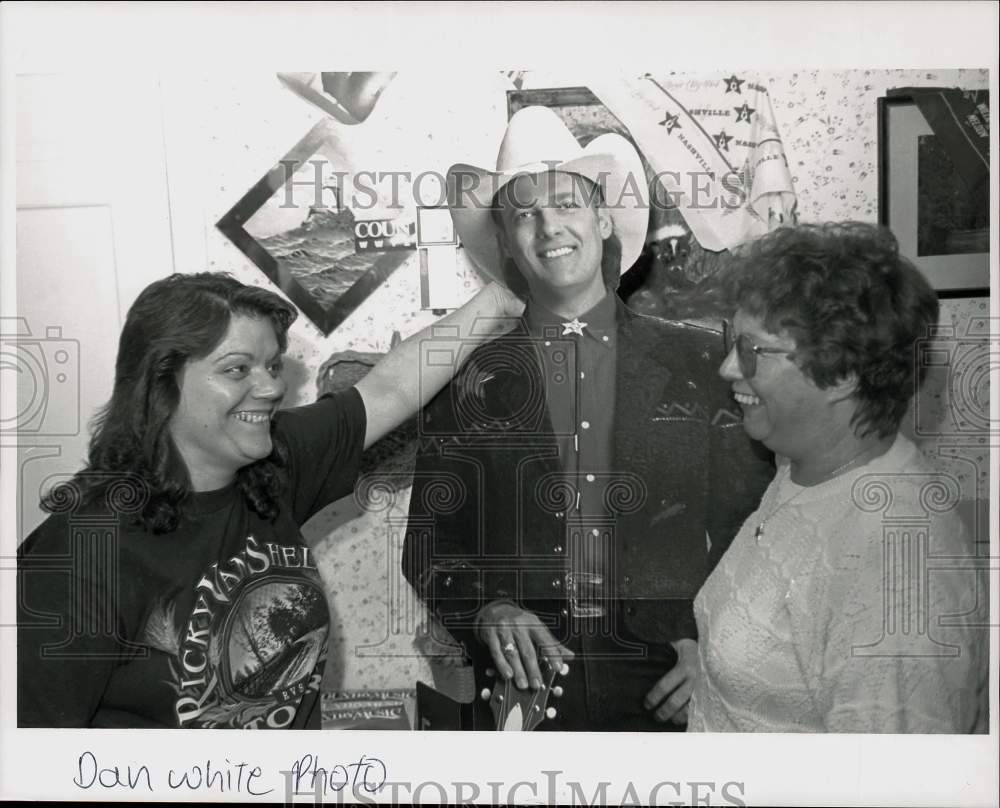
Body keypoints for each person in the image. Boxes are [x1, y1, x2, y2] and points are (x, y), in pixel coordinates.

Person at [402, 106, 773, 731]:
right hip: (526, 688)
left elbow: (758, 525)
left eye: (567, 204)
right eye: (524, 213)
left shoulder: (703, 360)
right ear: (508, 242)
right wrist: (485, 610)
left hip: (677, 681)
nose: (549, 228)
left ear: (603, 218)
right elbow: (431, 545)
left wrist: (715, 638)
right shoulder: (467, 378)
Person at [17, 271, 524, 728]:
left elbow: (390, 388)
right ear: (160, 384)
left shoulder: (273, 464)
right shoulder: (82, 551)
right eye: (237, 369)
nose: (270, 387)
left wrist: (500, 298)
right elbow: (34, 759)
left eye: (273, 365)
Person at [688, 222, 988, 733]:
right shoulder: (806, 473)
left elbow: (890, 785)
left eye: (752, 350)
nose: (727, 370)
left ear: (842, 373)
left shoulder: (896, 568)